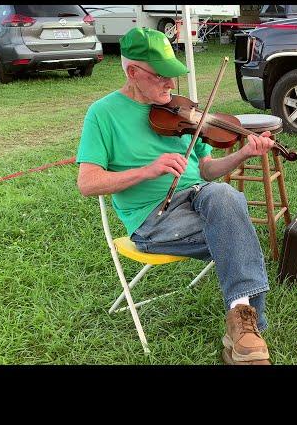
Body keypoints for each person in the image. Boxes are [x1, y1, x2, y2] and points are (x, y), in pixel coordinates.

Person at [76, 27, 275, 365]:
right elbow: (87, 183)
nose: (170, 85)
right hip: (154, 219)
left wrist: (242, 155)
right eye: (161, 77)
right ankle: (246, 328)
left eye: (173, 76)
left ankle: (240, 324)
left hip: (203, 200)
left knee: (224, 195)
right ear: (133, 72)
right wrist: (147, 170)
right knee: (234, 219)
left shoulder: (182, 112)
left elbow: (208, 171)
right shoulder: (102, 114)